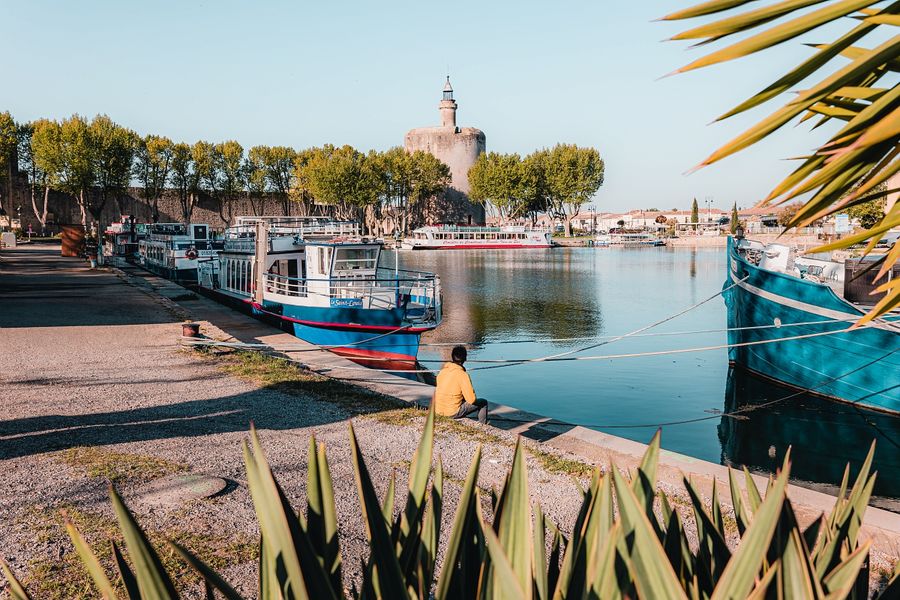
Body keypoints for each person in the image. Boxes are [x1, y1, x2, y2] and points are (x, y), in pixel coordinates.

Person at [432, 345, 488, 424]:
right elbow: (471, 400)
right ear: (465, 358)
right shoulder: (463, 375)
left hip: (437, 410)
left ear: (452, 357)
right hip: (451, 413)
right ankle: (483, 426)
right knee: (483, 402)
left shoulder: (442, 371)